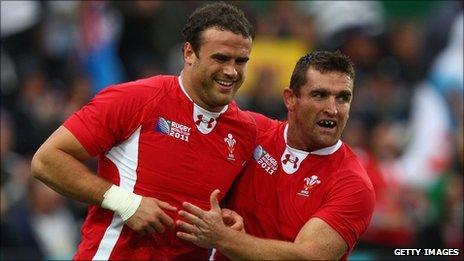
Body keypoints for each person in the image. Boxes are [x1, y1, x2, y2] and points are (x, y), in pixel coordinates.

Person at [31, 2, 255, 260]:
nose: (231, 71)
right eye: (221, 58)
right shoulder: (136, 99)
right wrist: (126, 203)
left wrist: (231, 221)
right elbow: (46, 161)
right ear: (189, 53)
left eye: (241, 61)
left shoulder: (246, 130)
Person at [176, 51, 376, 260]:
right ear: (290, 99)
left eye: (343, 98)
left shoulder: (354, 184)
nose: (332, 110)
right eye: (320, 95)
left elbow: (308, 257)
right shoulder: (251, 132)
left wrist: (222, 237)